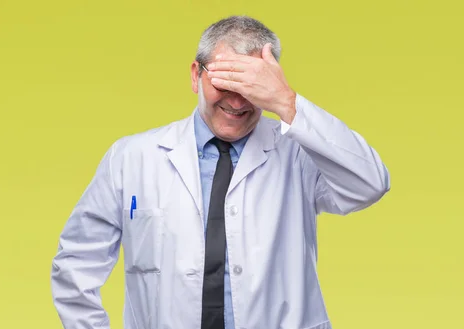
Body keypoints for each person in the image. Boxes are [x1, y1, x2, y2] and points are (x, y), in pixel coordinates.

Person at [50, 15, 390, 329]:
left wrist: (287, 102)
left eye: (252, 88)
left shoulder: (299, 152)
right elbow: (75, 266)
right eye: (225, 83)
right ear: (196, 76)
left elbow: (370, 184)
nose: (238, 102)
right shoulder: (131, 157)